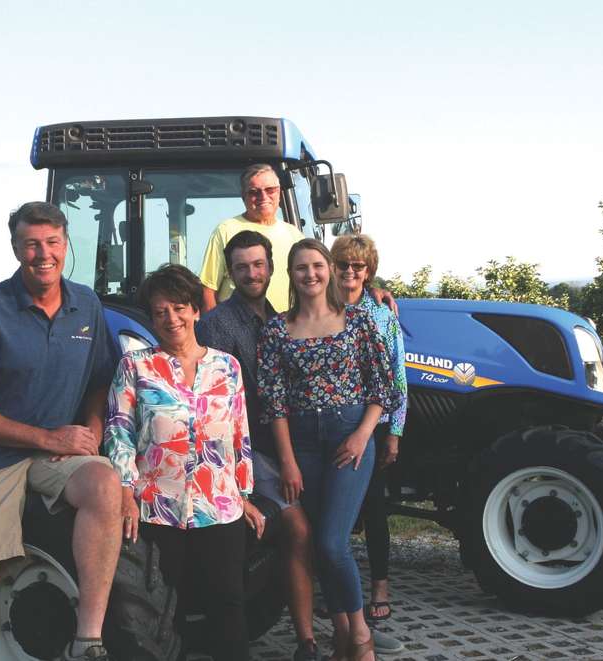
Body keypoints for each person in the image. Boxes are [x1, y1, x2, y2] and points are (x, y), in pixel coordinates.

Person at [0, 202, 121, 661]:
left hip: (56, 454)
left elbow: (101, 378)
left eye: (52, 242)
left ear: (66, 244)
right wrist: (50, 438)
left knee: (105, 485)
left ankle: (88, 640)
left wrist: (94, 428)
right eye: (31, 244)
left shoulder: (88, 304)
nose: (43, 254)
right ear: (15, 248)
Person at [104, 264, 265, 661]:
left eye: (179, 308)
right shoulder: (136, 366)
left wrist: (242, 493)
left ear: (195, 310)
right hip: (157, 507)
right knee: (163, 614)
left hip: (219, 506)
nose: (171, 319)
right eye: (161, 312)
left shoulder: (226, 366)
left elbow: (240, 433)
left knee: (228, 605)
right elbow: (118, 431)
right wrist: (125, 490)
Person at [258, 238, 399, 661]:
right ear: (291, 275)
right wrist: (287, 462)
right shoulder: (277, 330)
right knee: (318, 543)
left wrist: (362, 435)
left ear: (329, 270)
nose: (311, 274)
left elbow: (383, 386)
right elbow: (274, 403)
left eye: (318, 265)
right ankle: (342, 637)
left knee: (334, 542)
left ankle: (359, 635)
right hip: (302, 446)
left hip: (349, 438)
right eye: (301, 268)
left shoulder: (358, 320)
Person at [195, 230, 320, 661]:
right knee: (298, 529)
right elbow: (216, 404)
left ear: (271, 267)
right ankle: (305, 640)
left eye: (259, 264)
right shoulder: (216, 325)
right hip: (249, 450)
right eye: (242, 267)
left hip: (290, 441)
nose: (252, 273)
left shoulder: (282, 318)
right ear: (229, 273)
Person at [331, 235, 407, 630]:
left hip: (372, 426)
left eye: (357, 267)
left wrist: (394, 430)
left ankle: (380, 586)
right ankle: (337, 590)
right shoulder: (322, 308)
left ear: (368, 272)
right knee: (332, 511)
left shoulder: (381, 315)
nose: (348, 272)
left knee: (374, 508)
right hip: (332, 422)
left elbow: (397, 375)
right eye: (342, 264)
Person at [199, 163, 305, 313]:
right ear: (244, 197)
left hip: (284, 331)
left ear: (279, 193)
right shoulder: (226, 231)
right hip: (238, 330)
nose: (263, 197)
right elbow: (208, 290)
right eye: (254, 192)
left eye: (270, 190)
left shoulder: (295, 235)